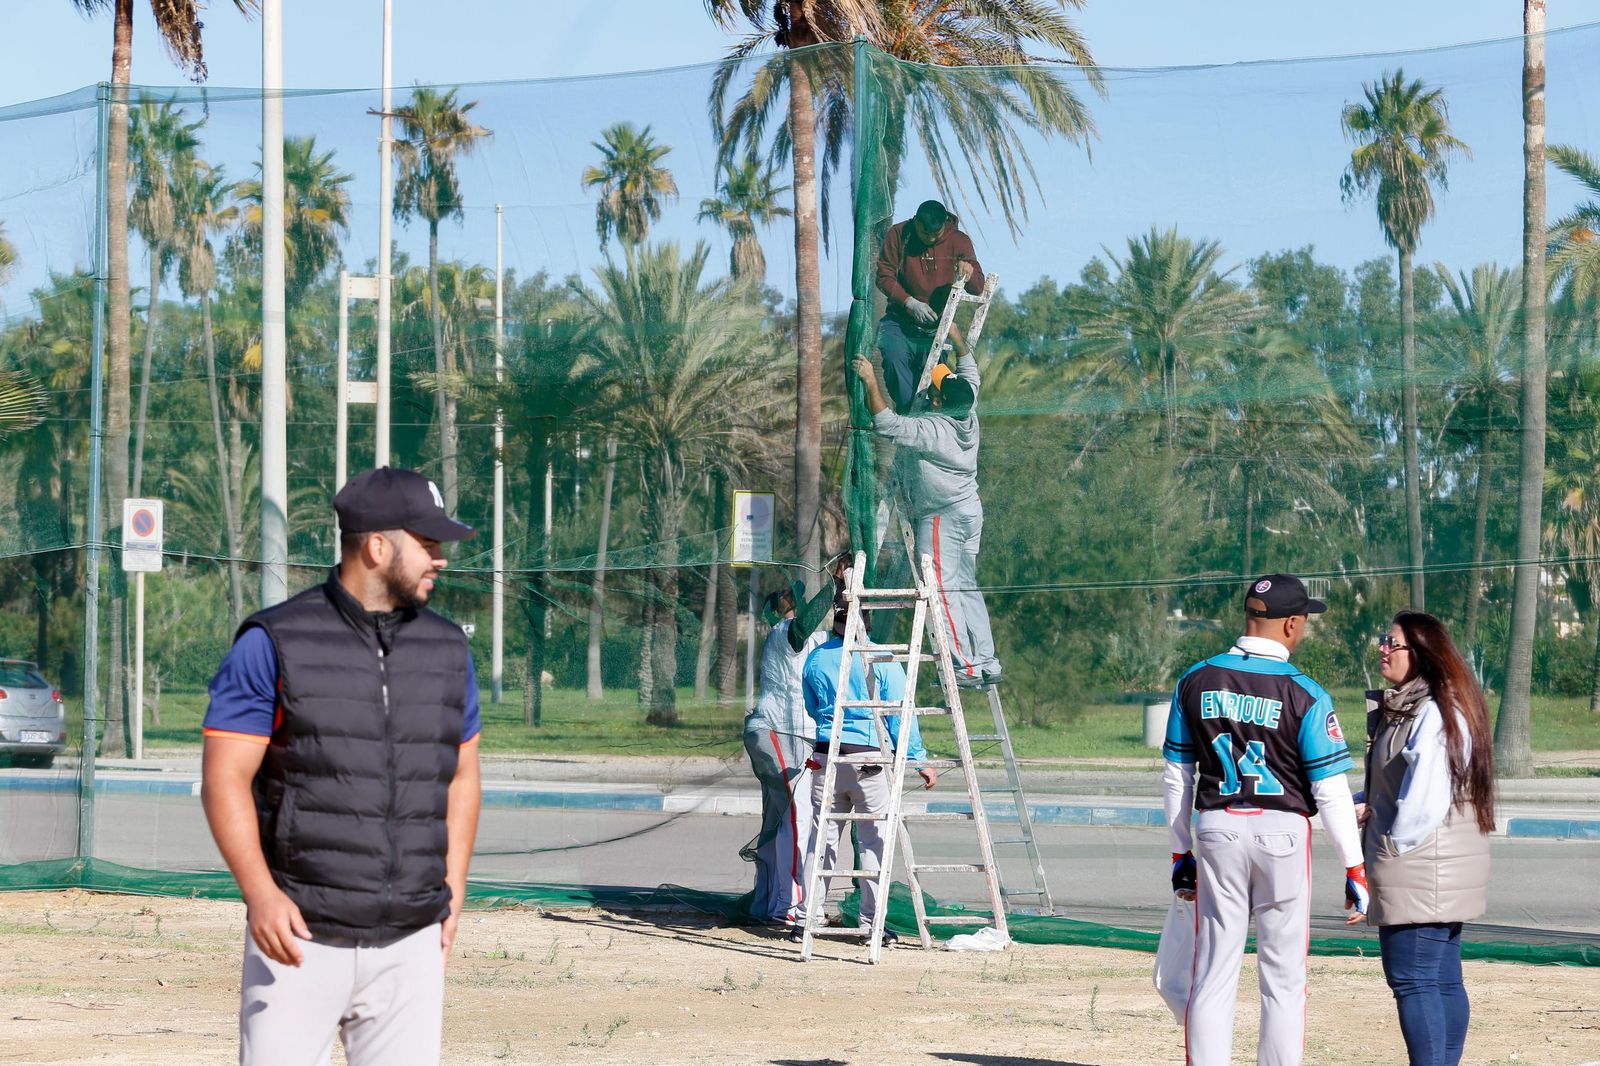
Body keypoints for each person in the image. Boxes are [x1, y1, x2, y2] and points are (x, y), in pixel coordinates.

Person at [200, 467, 482, 1066]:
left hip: (411, 941)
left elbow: (462, 777)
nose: (440, 559)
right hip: (299, 937)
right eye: (427, 543)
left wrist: (452, 896)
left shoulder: (449, 648)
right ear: (377, 546)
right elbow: (224, 778)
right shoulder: (273, 641)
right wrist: (260, 894)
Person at [1162, 573, 1368, 1066]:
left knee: (1213, 972)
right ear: (1292, 624)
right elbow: (1331, 790)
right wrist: (1354, 867)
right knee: (1283, 978)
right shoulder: (1305, 692)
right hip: (1282, 830)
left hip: (1217, 827)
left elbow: (1177, 776)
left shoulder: (1195, 679)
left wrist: (1180, 851)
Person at [1358, 612, 1495, 1066]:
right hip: (1436, 864)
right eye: (1384, 639)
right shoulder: (1420, 705)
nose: (1383, 648)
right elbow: (1400, 781)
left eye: (1392, 642)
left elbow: (1426, 798)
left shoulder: (1433, 709)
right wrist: (1363, 802)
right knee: (1440, 979)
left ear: (1420, 653)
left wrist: (1393, 850)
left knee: (1414, 980)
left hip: (1421, 865)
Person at [794, 585, 938, 944]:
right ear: (868, 621)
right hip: (868, 760)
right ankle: (871, 925)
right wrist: (917, 759)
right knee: (874, 842)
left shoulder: (816, 659)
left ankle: (806, 919)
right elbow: (900, 714)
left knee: (822, 841)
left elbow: (812, 707)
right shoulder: (881, 658)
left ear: (835, 620)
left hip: (826, 758)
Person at [852, 349, 1000, 687]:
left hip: (943, 517)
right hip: (970, 510)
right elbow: (971, 375)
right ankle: (987, 662)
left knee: (943, 591)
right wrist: (958, 344)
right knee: (965, 586)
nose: (930, 390)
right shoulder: (968, 413)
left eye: (934, 390)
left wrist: (871, 381)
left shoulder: (934, 429)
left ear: (938, 403)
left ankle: (965, 667)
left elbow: (887, 423)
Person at [741, 570, 839, 926]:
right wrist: (835, 585)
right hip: (780, 733)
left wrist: (850, 594)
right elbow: (805, 625)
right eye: (792, 601)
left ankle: (770, 903)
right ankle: (793, 907)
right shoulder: (785, 632)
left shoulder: (816, 639)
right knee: (798, 817)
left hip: (789, 736)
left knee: (780, 820)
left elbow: (841, 631)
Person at [874, 198, 984, 414]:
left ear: (945, 224)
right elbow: (884, 276)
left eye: (937, 234)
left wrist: (968, 272)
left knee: (935, 381)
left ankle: (930, 422)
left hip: (936, 329)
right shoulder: (898, 234)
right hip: (899, 321)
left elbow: (978, 286)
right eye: (926, 234)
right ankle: (912, 421)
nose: (931, 239)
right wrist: (909, 302)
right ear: (916, 222)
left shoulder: (959, 241)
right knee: (894, 361)